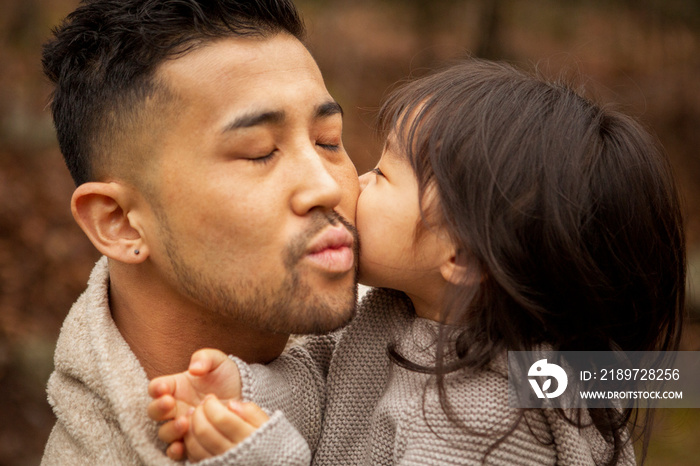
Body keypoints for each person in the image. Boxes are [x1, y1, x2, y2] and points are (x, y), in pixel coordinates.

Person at [149, 59, 686, 465]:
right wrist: (247, 392)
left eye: (383, 176)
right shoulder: (393, 307)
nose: (354, 184)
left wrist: (265, 456)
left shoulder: (485, 423)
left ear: (462, 255)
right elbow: (325, 380)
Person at [40, 0, 361, 464]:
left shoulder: (415, 306)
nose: (326, 186)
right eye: (259, 152)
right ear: (119, 221)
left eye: (328, 141)